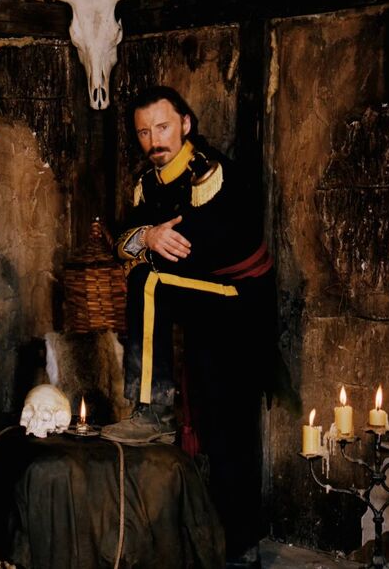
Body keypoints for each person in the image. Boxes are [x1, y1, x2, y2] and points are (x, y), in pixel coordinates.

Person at [101, 86, 282, 567]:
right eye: (144, 131)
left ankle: (150, 408)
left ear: (185, 123)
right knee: (212, 415)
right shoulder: (149, 183)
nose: (153, 139)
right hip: (205, 302)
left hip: (240, 301)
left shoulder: (209, 173)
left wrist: (149, 241)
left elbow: (188, 250)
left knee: (148, 278)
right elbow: (121, 239)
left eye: (162, 127)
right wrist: (146, 234)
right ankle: (216, 542)